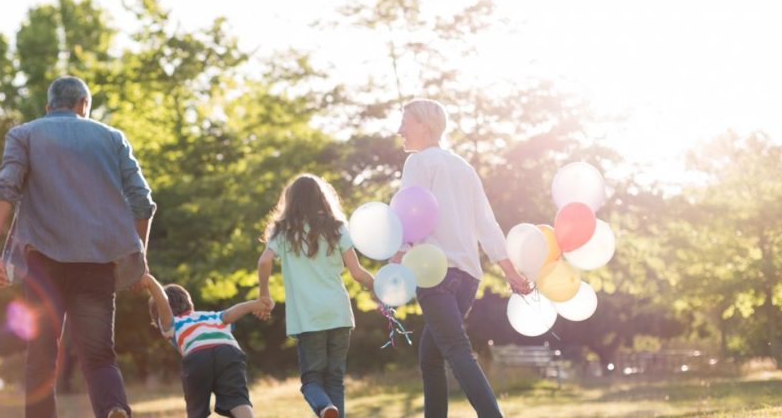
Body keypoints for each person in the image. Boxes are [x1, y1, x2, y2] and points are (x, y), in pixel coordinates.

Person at [0, 76, 156, 418]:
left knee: (42, 356)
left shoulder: (25, 134)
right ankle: (113, 408)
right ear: (83, 105)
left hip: (43, 264)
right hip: (97, 264)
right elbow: (142, 202)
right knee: (99, 357)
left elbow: (5, 188)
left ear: (49, 107)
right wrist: (140, 258)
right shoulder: (112, 138)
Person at [391, 99, 532, 418]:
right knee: (431, 357)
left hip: (434, 273)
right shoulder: (462, 167)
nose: (399, 130)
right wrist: (511, 272)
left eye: (405, 123)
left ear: (425, 126)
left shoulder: (419, 162)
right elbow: (487, 223)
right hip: (468, 277)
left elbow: (407, 213)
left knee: (456, 350)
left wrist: (395, 262)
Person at [255, 174, 376, 418]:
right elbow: (357, 272)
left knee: (312, 380)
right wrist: (377, 287)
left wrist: (264, 294)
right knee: (334, 380)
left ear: (291, 201)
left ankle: (324, 408)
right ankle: (331, 409)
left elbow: (264, 260)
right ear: (323, 198)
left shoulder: (285, 230)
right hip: (339, 313)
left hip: (309, 317)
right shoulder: (337, 227)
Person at [144, 274, 268, 418]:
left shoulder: (172, 324)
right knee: (238, 399)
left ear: (158, 318)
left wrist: (151, 283)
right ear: (190, 304)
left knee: (196, 408)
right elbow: (229, 315)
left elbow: (163, 306)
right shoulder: (211, 316)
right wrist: (256, 304)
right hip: (228, 351)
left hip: (197, 356)